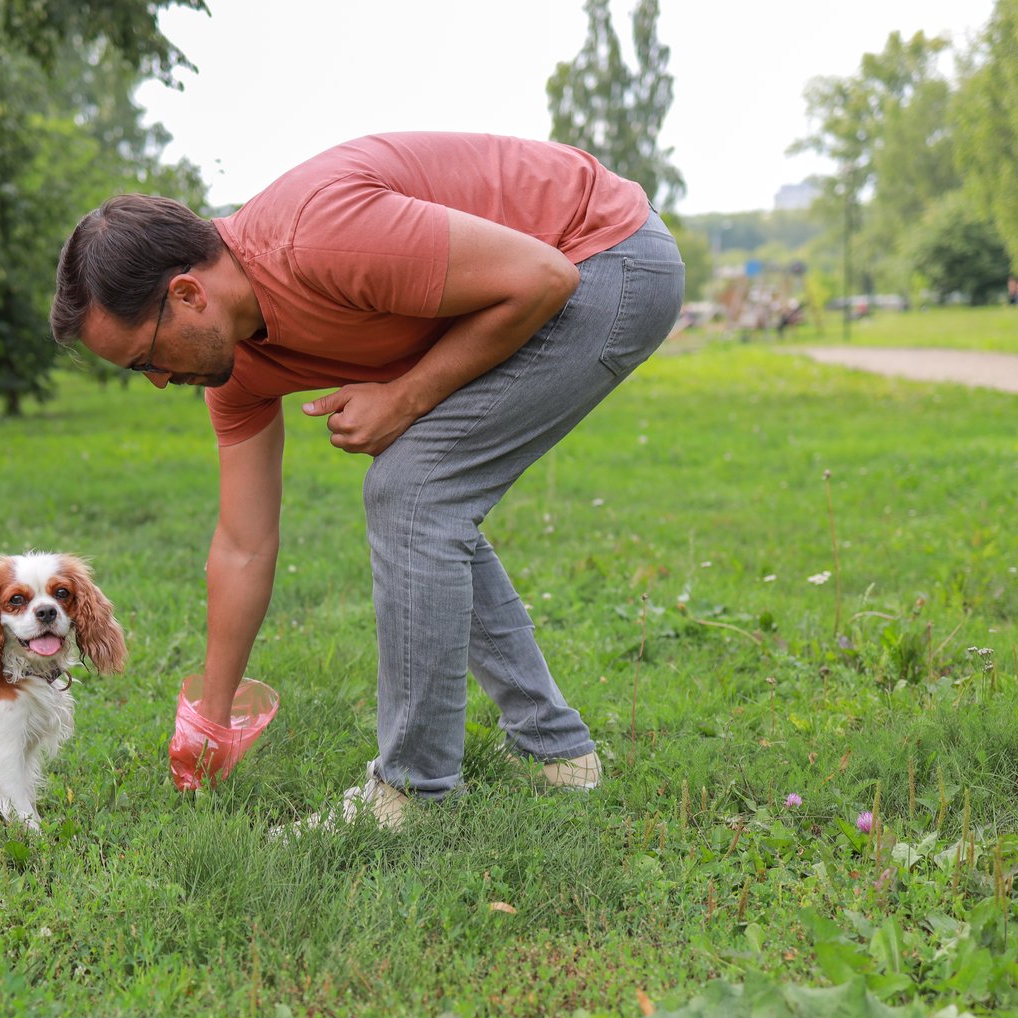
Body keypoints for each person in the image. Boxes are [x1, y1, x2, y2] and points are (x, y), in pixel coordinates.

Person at [50, 132, 684, 828]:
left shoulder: (315, 238)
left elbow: (542, 277)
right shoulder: (236, 370)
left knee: (413, 491)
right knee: (423, 495)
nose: (161, 380)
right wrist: (213, 716)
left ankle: (414, 794)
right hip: (555, 274)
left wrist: (406, 396)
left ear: (188, 293)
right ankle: (556, 753)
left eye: (146, 359)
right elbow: (243, 544)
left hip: (606, 256)